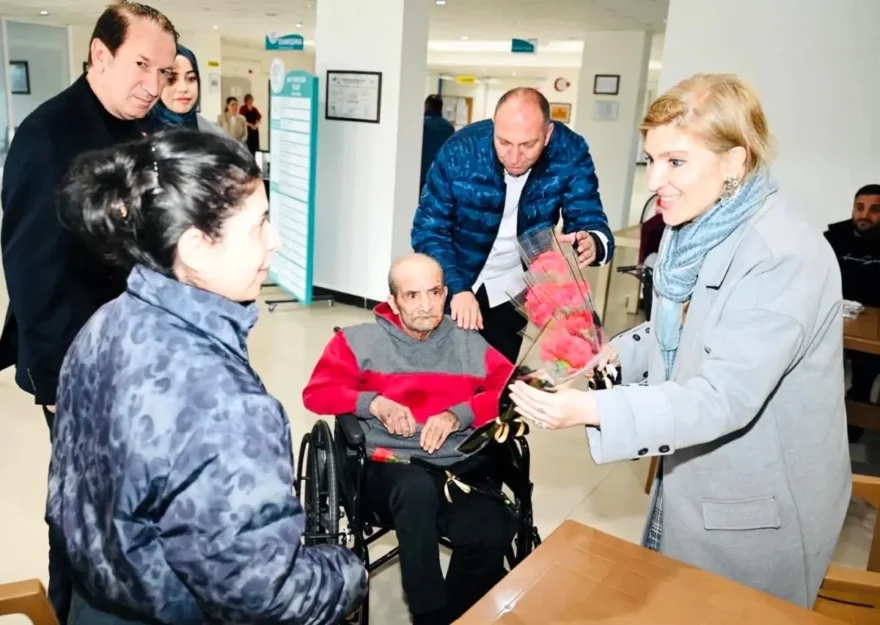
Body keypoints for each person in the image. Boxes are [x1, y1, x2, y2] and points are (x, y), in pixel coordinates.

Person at [508, 73, 851, 608]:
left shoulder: (781, 256)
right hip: (697, 479)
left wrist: (593, 409)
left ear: (734, 161)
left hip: (760, 506)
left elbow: (722, 396)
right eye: (651, 160)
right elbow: (686, 331)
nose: (654, 181)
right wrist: (614, 354)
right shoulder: (696, 227)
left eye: (675, 161)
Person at [48, 129, 367, 625]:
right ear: (196, 248)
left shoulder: (104, 324)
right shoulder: (227, 407)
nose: (276, 241)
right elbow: (265, 596)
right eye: (259, 225)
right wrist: (348, 571)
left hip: (91, 602)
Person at [0, 3, 177, 620]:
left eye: (163, 72)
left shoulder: (140, 131)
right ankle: (69, 609)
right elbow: (31, 267)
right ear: (100, 54)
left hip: (136, 351)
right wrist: (56, 383)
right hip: (78, 362)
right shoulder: (48, 136)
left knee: (126, 499)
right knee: (82, 509)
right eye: (141, 65)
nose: (153, 85)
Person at [302, 253, 516, 625]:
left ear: (446, 293)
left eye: (434, 292)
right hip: (385, 467)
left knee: (493, 524)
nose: (426, 305)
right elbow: (316, 394)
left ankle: (457, 614)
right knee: (415, 488)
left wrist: (460, 414)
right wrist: (373, 403)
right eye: (412, 295)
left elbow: (513, 390)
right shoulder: (357, 341)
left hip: (453, 468)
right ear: (394, 300)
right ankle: (428, 613)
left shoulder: (468, 342)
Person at [412, 87, 613, 364]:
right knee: (441, 371)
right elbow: (429, 229)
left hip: (514, 286)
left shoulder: (569, 152)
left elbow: (588, 214)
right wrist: (457, 288)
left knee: (498, 372)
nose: (514, 156)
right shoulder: (460, 150)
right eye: (504, 142)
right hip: (453, 275)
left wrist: (592, 240)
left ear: (548, 134)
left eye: (528, 145)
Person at [825, 184, 880, 408]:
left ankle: (859, 405)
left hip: (872, 326)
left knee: (863, 378)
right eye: (860, 207)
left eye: (874, 209)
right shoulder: (833, 238)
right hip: (832, 317)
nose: (864, 215)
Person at [145, 43, 223, 134]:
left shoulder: (214, 134)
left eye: (191, 78)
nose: (183, 88)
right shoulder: (136, 134)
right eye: (171, 79)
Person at [421, 94, 455, 190]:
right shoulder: (449, 127)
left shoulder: (422, 125)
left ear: (426, 106)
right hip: (441, 175)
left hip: (422, 175)